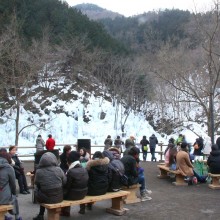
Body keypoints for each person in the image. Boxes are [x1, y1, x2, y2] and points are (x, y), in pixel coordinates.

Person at [33, 152, 66, 220]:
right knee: (45, 190)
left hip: (45, 198)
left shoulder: (39, 171)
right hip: (59, 197)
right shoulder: (59, 169)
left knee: (38, 188)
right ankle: (40, 214)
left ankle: (41, 214)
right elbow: (64, 181)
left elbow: (36, 183)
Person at [61, 151, 89, 216]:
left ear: (69, 160)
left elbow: (67, 187)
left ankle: (65, 211)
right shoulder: (84, 169)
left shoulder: (70, 171)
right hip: (83, 193)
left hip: (74, 195)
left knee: (63, 191)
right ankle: (82, 209)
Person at [0, 150, 22, 220]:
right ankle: (17, 216)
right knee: (13, 197)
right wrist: (14, 193)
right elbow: (13, 185)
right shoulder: (9, 168)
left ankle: (4, 216)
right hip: (2, 198)